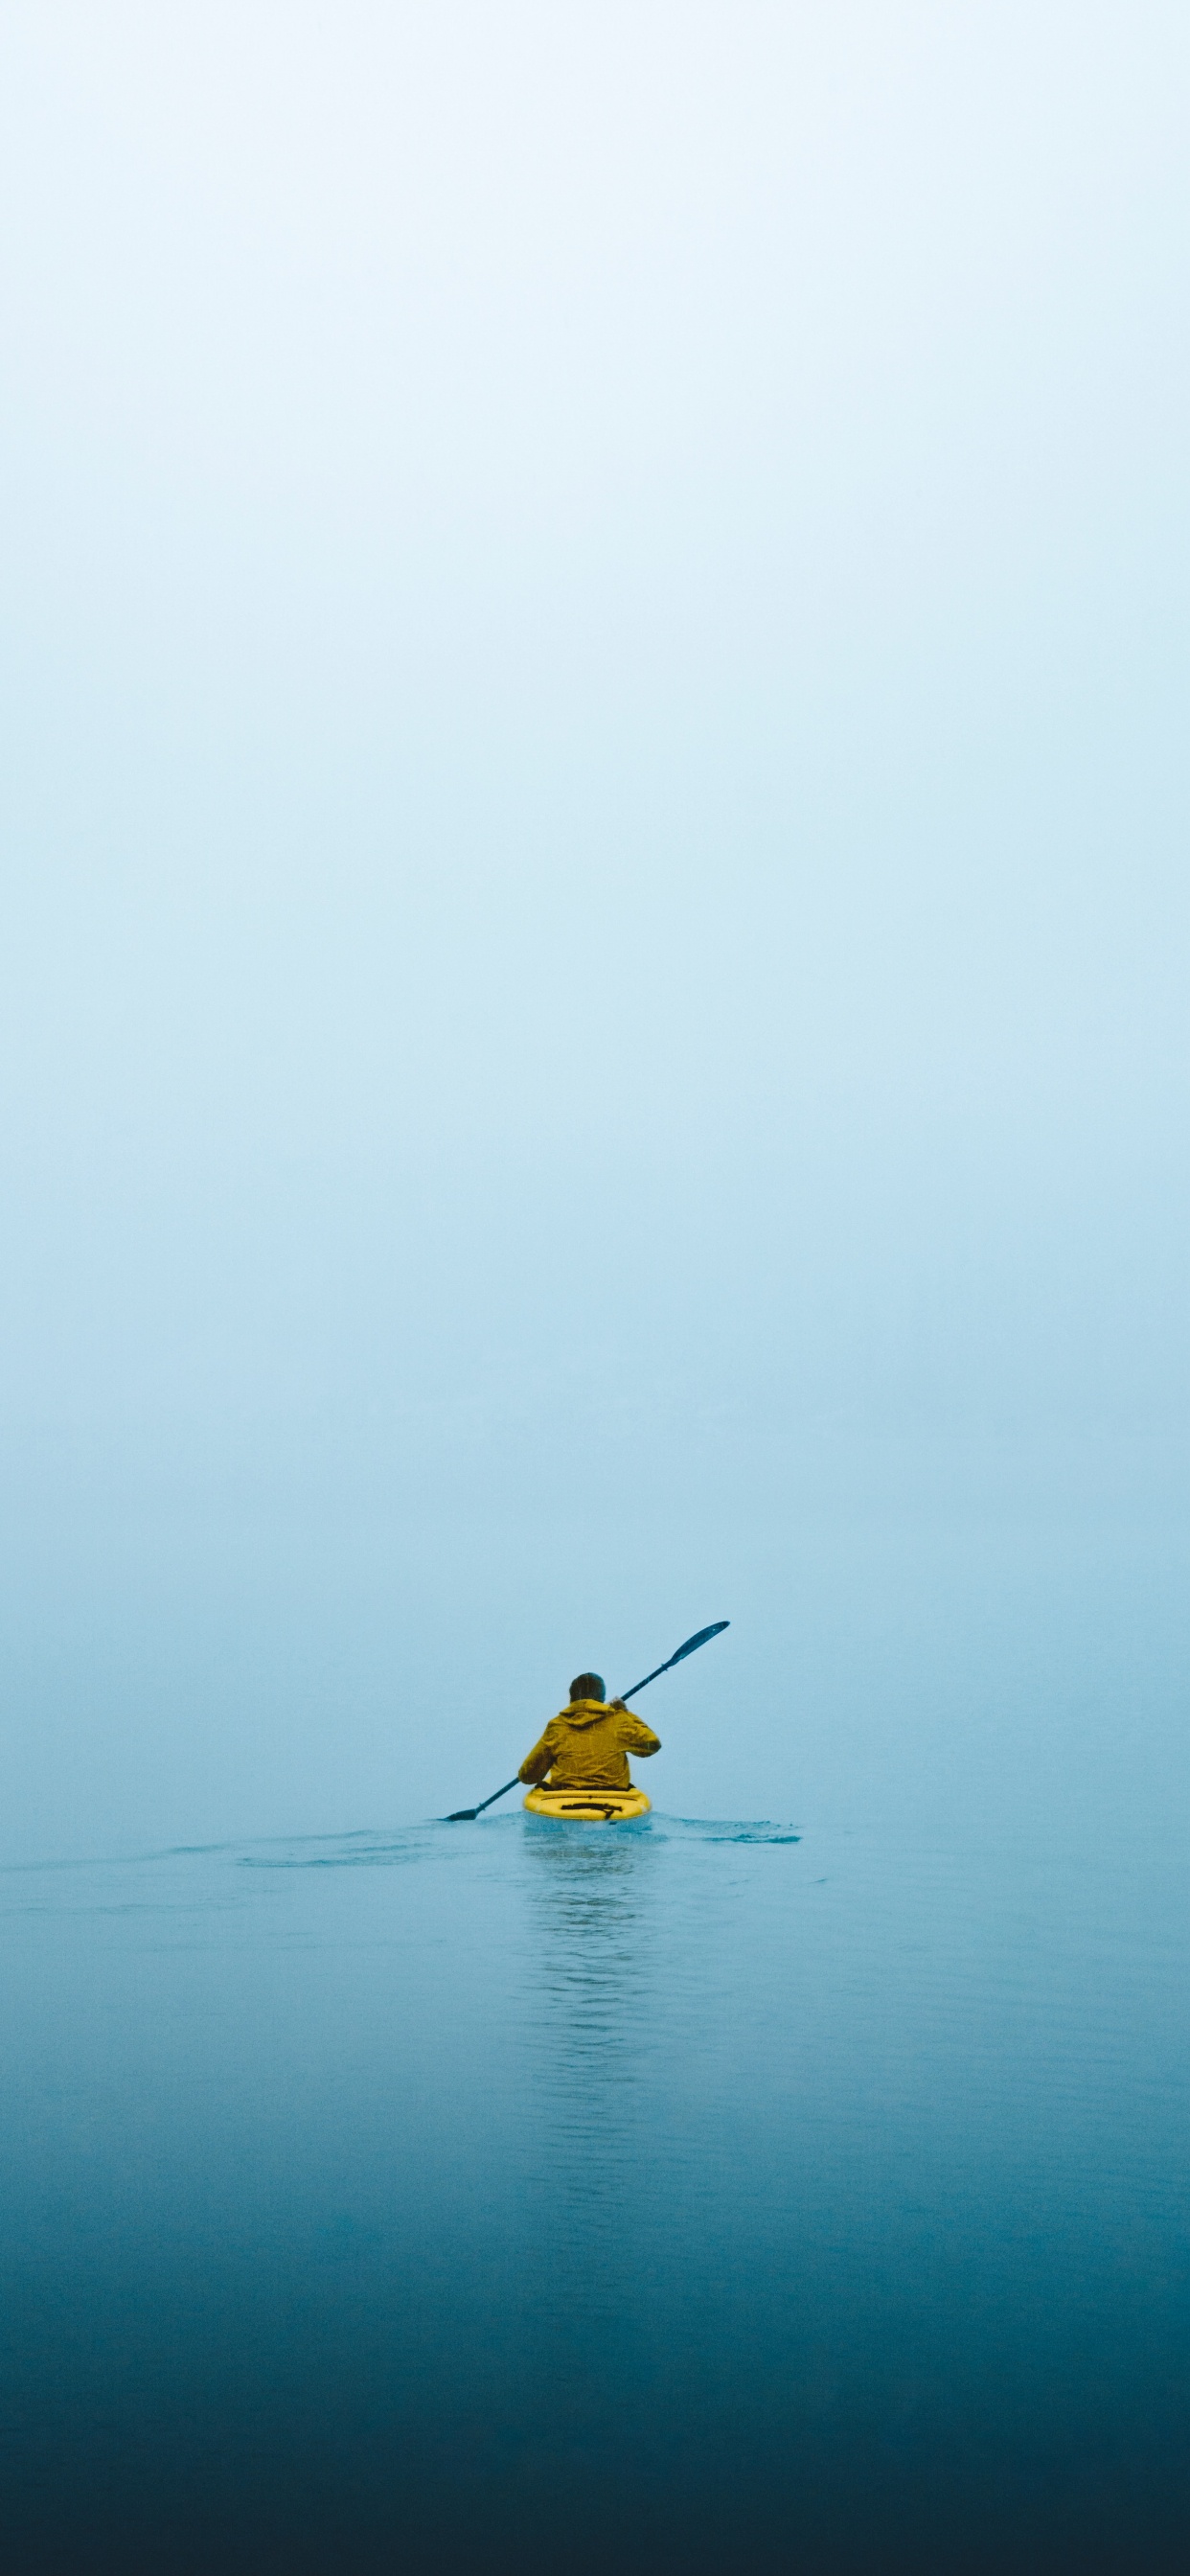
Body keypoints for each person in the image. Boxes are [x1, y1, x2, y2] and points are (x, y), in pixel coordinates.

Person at [517, 1672, 661, 1795]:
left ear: (572, 1698)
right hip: (613, 1799)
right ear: (602, 1699)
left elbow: (528, 1776)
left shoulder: (557, 1726)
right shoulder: (618, 1720)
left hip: (565, 1799)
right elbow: (652, 1745)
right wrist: (625, 1712)